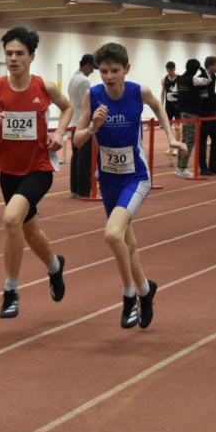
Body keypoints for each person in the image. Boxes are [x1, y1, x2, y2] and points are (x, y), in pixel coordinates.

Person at [72, 42, 185, 328]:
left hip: (135, 178)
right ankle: (146, 291)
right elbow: (77, 140)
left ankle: (128, 294)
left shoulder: (138, 92)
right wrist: (94, 126)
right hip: (108, 179)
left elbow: (159, 107)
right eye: (104, 71)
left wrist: (171, 137)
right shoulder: (93, 95)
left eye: (114, 70)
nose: (109, 77)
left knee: (113, 235)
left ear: (126, 69)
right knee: (127, 242)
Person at [0, 27, 72, 319]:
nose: (13, 59)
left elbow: (67, 108)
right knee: (31, 232)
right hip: (8, 171)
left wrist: (59, 133)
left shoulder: (44, 86)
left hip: (39, 169)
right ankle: (55, 266)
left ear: (31, 57)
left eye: (19, 54)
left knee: (11, 218)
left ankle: (10, 291)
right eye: (9, 54)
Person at [68, 54, 96, 198]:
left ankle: (74, 189)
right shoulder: (85, 81)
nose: (92, 71)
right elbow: (87, 104)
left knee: (76, 157)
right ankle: (83, 190)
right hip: (83, 124)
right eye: (92, 67)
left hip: (74, 122)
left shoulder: (73, 79)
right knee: (85, 158)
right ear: (86, 65)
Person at [162, 61, 181, 155]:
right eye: (168, 70)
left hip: (177, 107)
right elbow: (162, 93)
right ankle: (171, 146)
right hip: (168, 107)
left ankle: (177, 148)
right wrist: (161, 105)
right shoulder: (164, 79)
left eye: (171, 70)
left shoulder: (180, 79)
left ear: (174, 69)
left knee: (177, 127)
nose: (169, 72)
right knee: (168, 128)